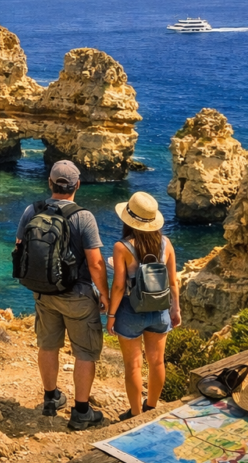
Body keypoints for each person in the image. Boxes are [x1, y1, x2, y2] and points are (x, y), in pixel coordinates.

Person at [15, 161, 110, 431]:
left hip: (44, 293)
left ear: (50, 183)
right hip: (78, 295)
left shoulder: (31, 210)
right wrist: (105, 295)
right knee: (85, 351)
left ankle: (51, 398)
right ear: (77, 185)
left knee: (48, 345)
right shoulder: (83, 217)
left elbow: (20, 248)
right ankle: (81, 412)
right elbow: (95, 263)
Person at [107, 192, 181, 420]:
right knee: (157, 361)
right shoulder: (166, 244)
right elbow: (172, 281)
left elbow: (119, 286)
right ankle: (152, 407)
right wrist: (175, 309)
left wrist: (111, 315)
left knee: (133, 365)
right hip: (159, 310)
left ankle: (136, 413)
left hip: (131, 310)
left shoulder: (122, 247)